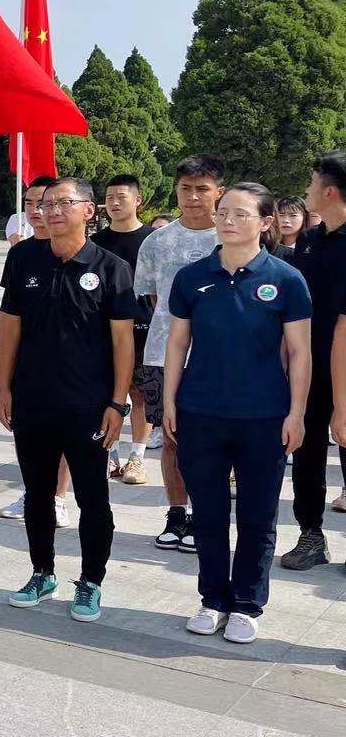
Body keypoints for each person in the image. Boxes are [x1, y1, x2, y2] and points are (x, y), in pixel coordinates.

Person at [164, 183, 310, 644]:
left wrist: (297, 413)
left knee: (257, 516)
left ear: (265, 222)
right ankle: (213, 598)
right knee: (207, 514)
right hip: (200, 411)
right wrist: (170, 400)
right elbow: (177, 342)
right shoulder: (192, 277)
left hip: (264, 416)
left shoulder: (287, 279)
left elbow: (300, 351)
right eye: (223, 212)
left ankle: (247, 603)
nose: (227, 220)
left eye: (240, 214)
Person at [0, 178, 135, 622]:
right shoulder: (24, 258)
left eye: (63, 203)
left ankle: (91, 581)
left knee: (93, 498)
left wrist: (117, 404)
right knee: (37, 494)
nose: (52, 211)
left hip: (88, 405)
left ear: (88, 211)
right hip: (32, 400)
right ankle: (42, 572)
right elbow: (9, 323)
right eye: (46, 204)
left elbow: (123, 343)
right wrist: (4, 388)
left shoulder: (111, 268)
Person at [134, 156, 226, 553]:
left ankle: (206, 516)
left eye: (202, 189)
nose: (193, 197)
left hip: (219, 359)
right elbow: (155, 299)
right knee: (171, 438)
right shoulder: (157, 241)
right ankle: (177, 512)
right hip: (163, 354)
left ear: (219, 192)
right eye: (185, 188)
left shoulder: (232, 237)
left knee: (213, 442)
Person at [281, 152, 346, 569]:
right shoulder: (308, 240)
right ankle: (311, 536)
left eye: (312, 182)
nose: (306, 189)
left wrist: (343, 402)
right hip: (309, 364)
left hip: (345, 364)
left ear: (330, 191)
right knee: (305, 451)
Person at [0, 176, 72, 526]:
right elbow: (8, 313)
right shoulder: (20, 254)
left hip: (70, 363)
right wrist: (1, 355)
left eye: (43, 202)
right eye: (29, 203)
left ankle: (58, 498)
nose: (36, 210)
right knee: (27, 431)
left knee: (64, 433)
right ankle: (33, 491)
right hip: (29, 361)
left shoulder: (74, 250)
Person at [92, 174, 156, 484]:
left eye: (122, 197)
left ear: (138, 200)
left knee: (140, 395)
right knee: (106, 395)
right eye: (110, 198)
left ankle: (137, 458)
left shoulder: (153, 240)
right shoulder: (96, 242)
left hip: (144, 329)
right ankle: (111, 456)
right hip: (104, 332)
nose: (114, 203)